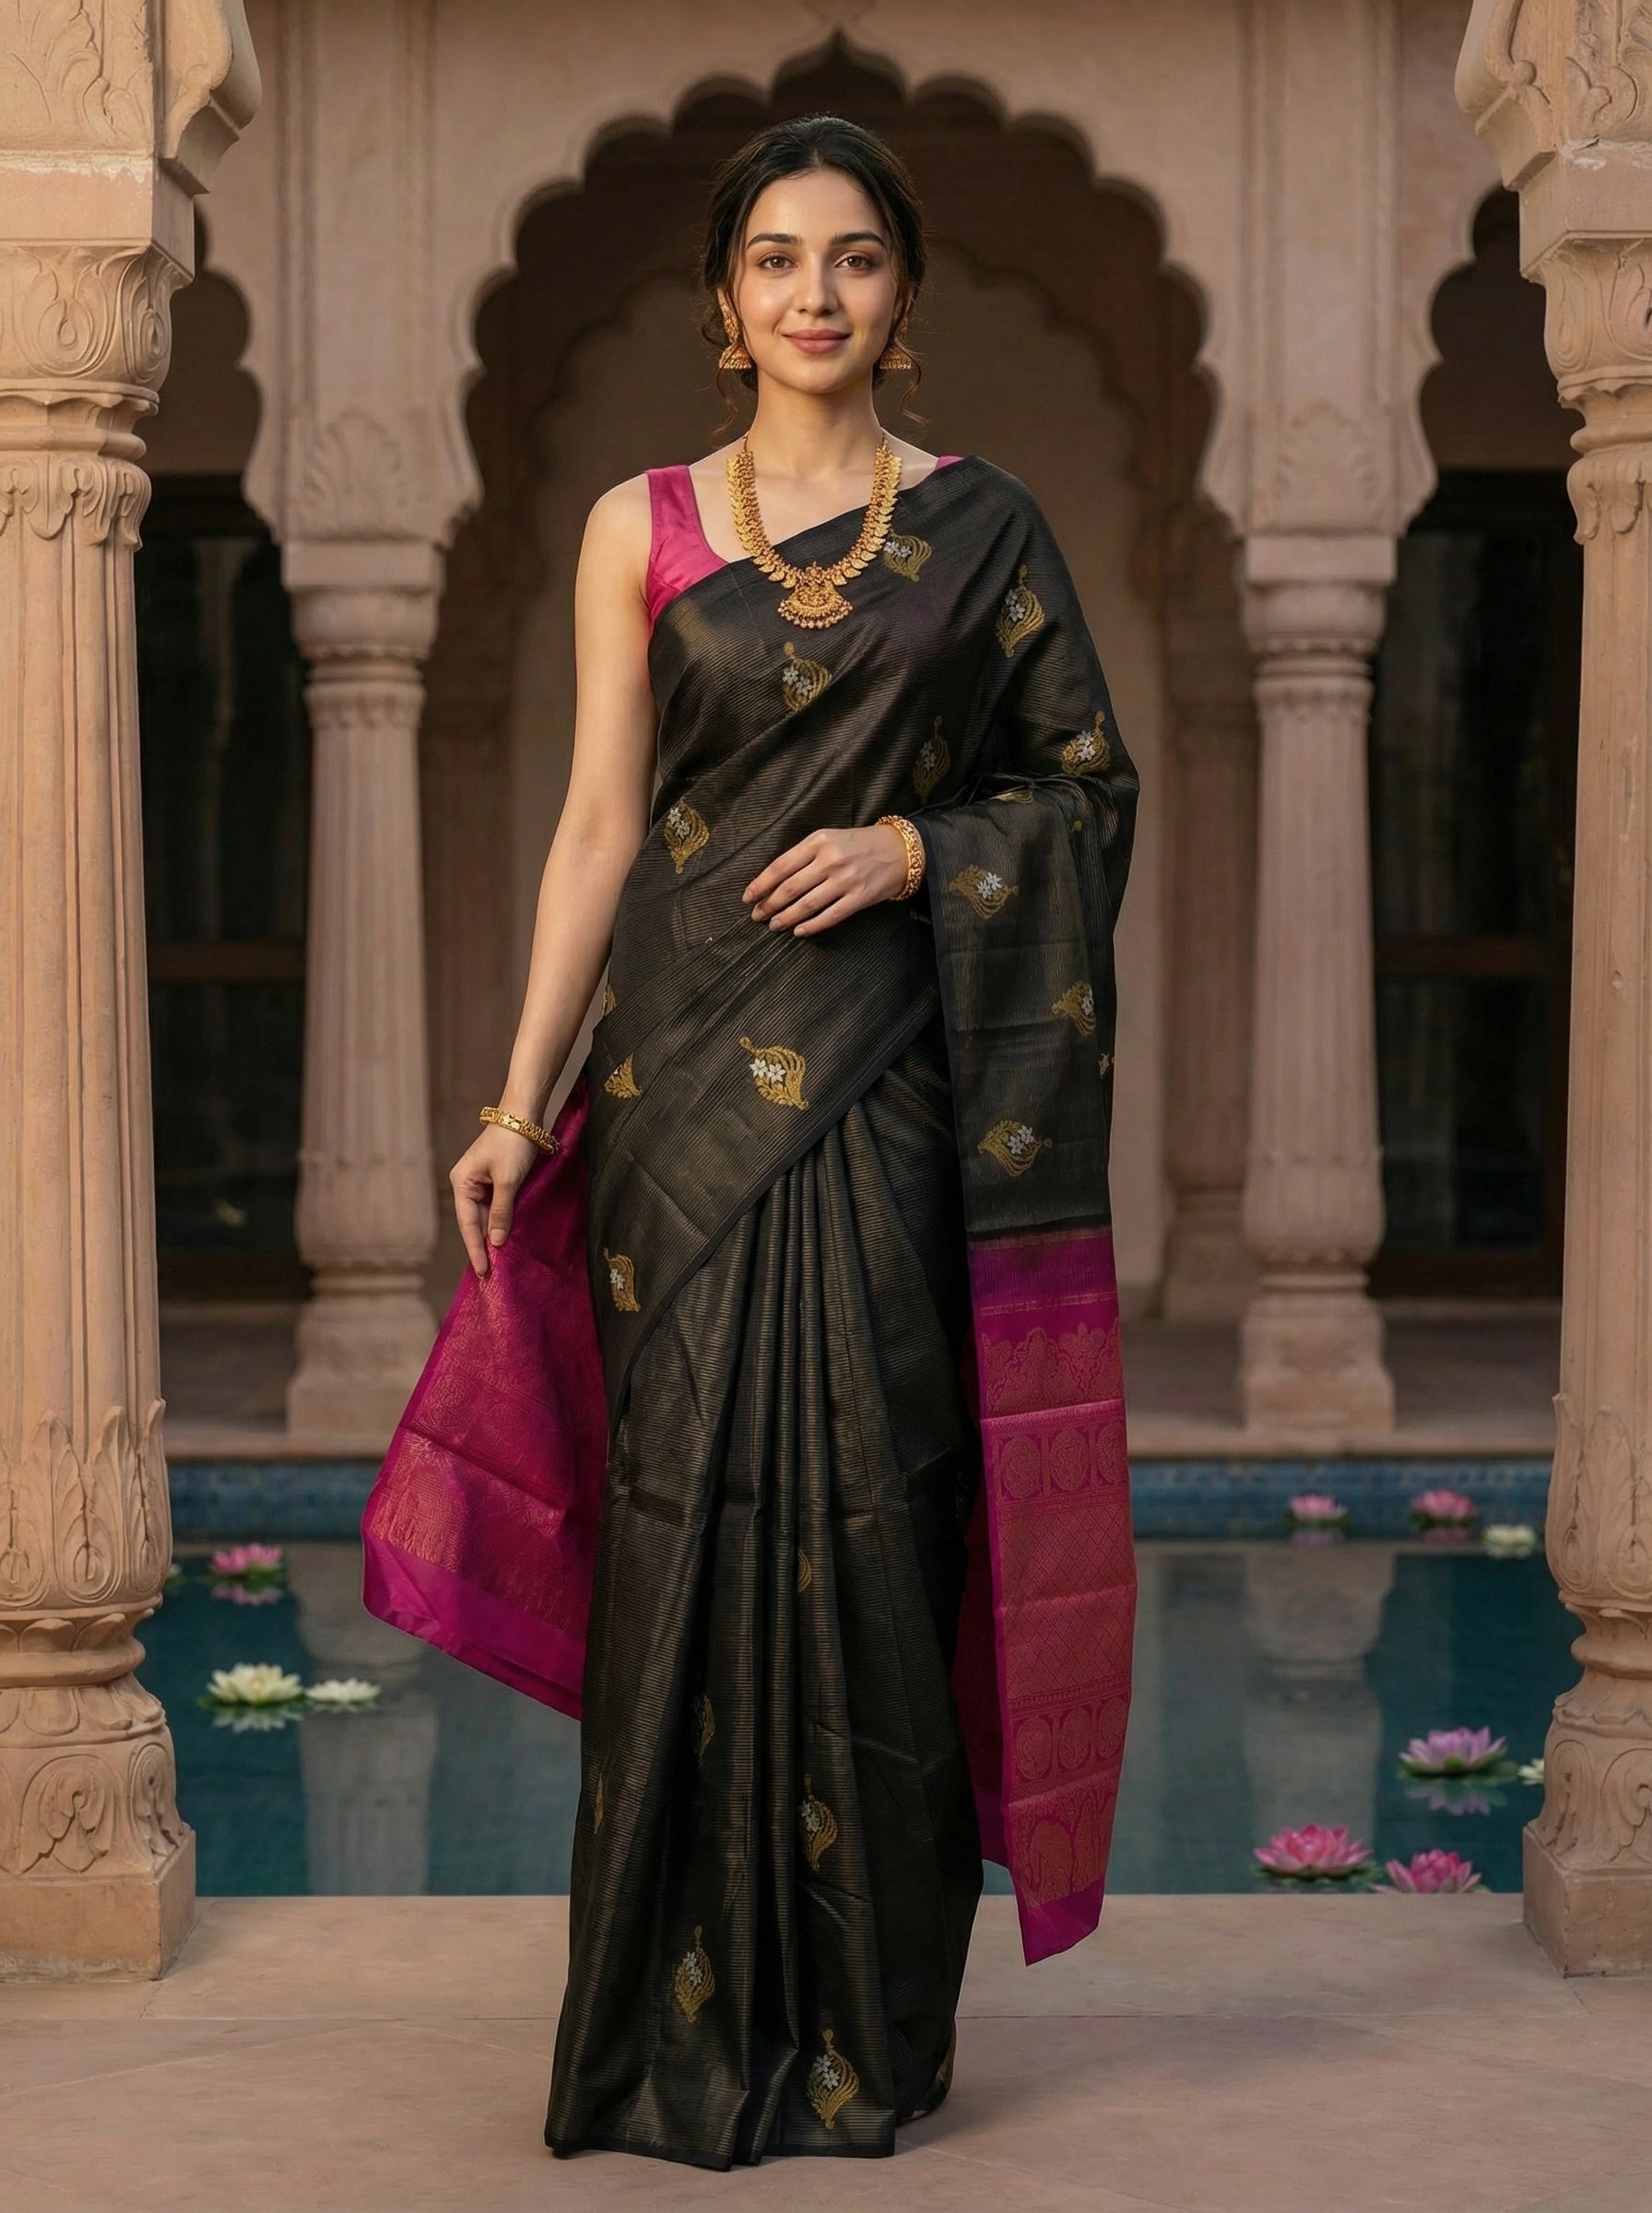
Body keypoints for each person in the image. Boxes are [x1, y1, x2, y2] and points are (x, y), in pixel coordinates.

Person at [370, 112, 1139, 2170]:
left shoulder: (982, 527)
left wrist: (915, 850)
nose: (816, 293)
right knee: (680, 1531)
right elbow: (597, 827)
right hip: (676, 1103)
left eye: (854, 257)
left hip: (886, 1097)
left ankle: (864, 2031)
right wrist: (514, 1102)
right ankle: (656, 2034)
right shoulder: (640, 526)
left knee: (883, 1522)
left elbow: (1084, 791)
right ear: (725, 297)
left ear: (903, 291)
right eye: (778, 258)